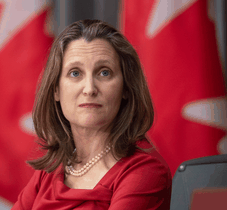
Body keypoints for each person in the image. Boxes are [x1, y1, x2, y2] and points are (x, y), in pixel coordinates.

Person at [11, 19, 172, 210]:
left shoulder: (146, 172)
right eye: (75, 73)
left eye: (104, 73)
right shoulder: (50, 171)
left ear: (126, 88)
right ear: (56, 90)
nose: (89, 89)